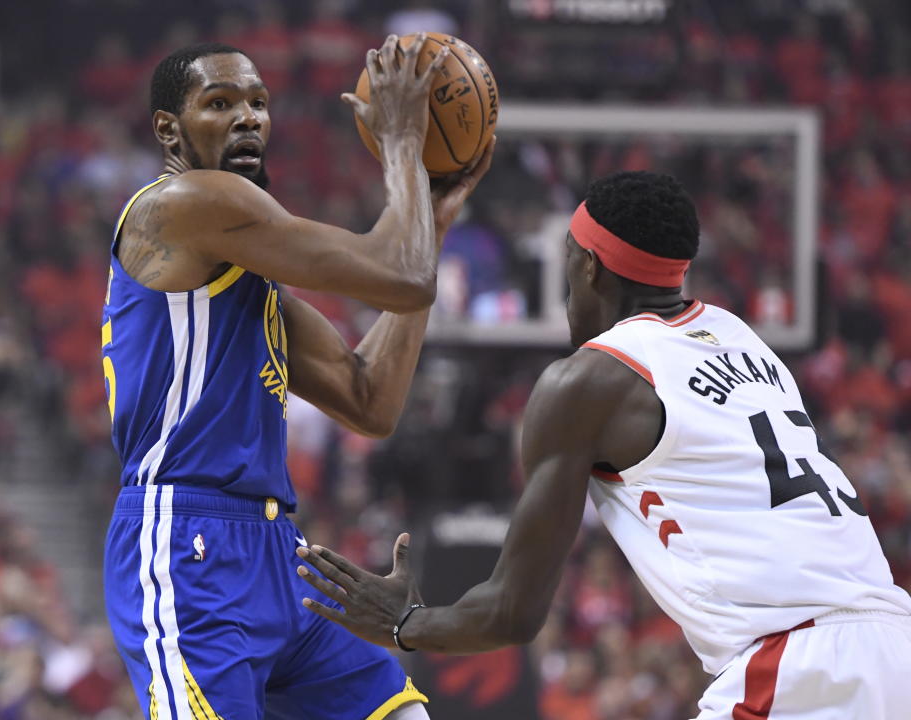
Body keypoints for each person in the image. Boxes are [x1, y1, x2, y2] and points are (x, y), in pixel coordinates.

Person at [295, 171, 911, 719]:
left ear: (588, 265)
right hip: (893, 641)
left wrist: (404, 623)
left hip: (802, 667)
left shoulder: (590, 379)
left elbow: (512, 612)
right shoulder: (742, 337)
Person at [100, 38, 493, 720]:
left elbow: (371, 399)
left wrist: (433, 214)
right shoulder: (187, 201)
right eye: (219, 103)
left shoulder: (247, 286)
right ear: (169, 129)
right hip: (187, 550)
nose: (248, 117)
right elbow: (401, 273)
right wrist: (403, 141)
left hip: (278, 554)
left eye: (258, 102)